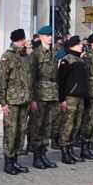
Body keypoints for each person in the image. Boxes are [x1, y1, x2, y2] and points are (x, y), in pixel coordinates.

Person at [0, 29, 33, 174]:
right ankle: (8, 162)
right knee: (11, 133)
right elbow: (1, 81)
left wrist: (30, 98)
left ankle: (16, 160)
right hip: (12, 101)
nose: (24, 41)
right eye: (22, 39)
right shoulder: (7, 57)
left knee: (20, 132)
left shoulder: (25, 57)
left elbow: (29, 79)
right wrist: (3, 102)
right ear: (16, 40)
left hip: (24, 100)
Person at [29, 26, 58, 169]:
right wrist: (32, 98)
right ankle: (36, 156)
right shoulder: (35, 54)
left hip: (51, 94)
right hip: (40, 95)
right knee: (37, 126)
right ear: (40, 37)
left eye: (51, 35)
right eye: (47, 35)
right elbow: (32, 78)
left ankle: (44, 154)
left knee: (47, 126)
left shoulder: (54, 53)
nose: (50, 37)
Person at [57, 34, 88, 164]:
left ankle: (70, 149)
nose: (82, 46)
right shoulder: (66, 60)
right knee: (68, 125)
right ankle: (65, 152)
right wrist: (62, 99)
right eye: (80, 44)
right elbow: (61, 80)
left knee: (76, 125)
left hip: (80, 97)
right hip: (70, 98)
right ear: (72, 46)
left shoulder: (80, 61)